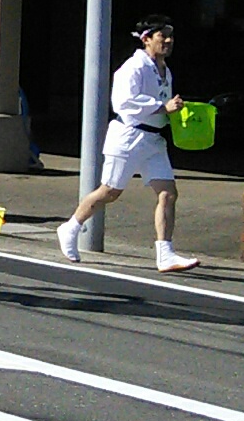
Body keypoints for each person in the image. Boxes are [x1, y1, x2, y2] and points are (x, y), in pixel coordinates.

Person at [57, 15, 201, 272]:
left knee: (168, 193)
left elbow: (163, 106)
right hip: (128, 136)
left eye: (171, 36)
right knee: (110, 192)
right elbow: (123, 101)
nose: (168, 41)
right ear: (147, 39)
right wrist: (162, 107)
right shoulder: (132, 68)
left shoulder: (165, 70)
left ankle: (165, 254)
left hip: (154, 139)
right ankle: (71, 227)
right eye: (163, 36)